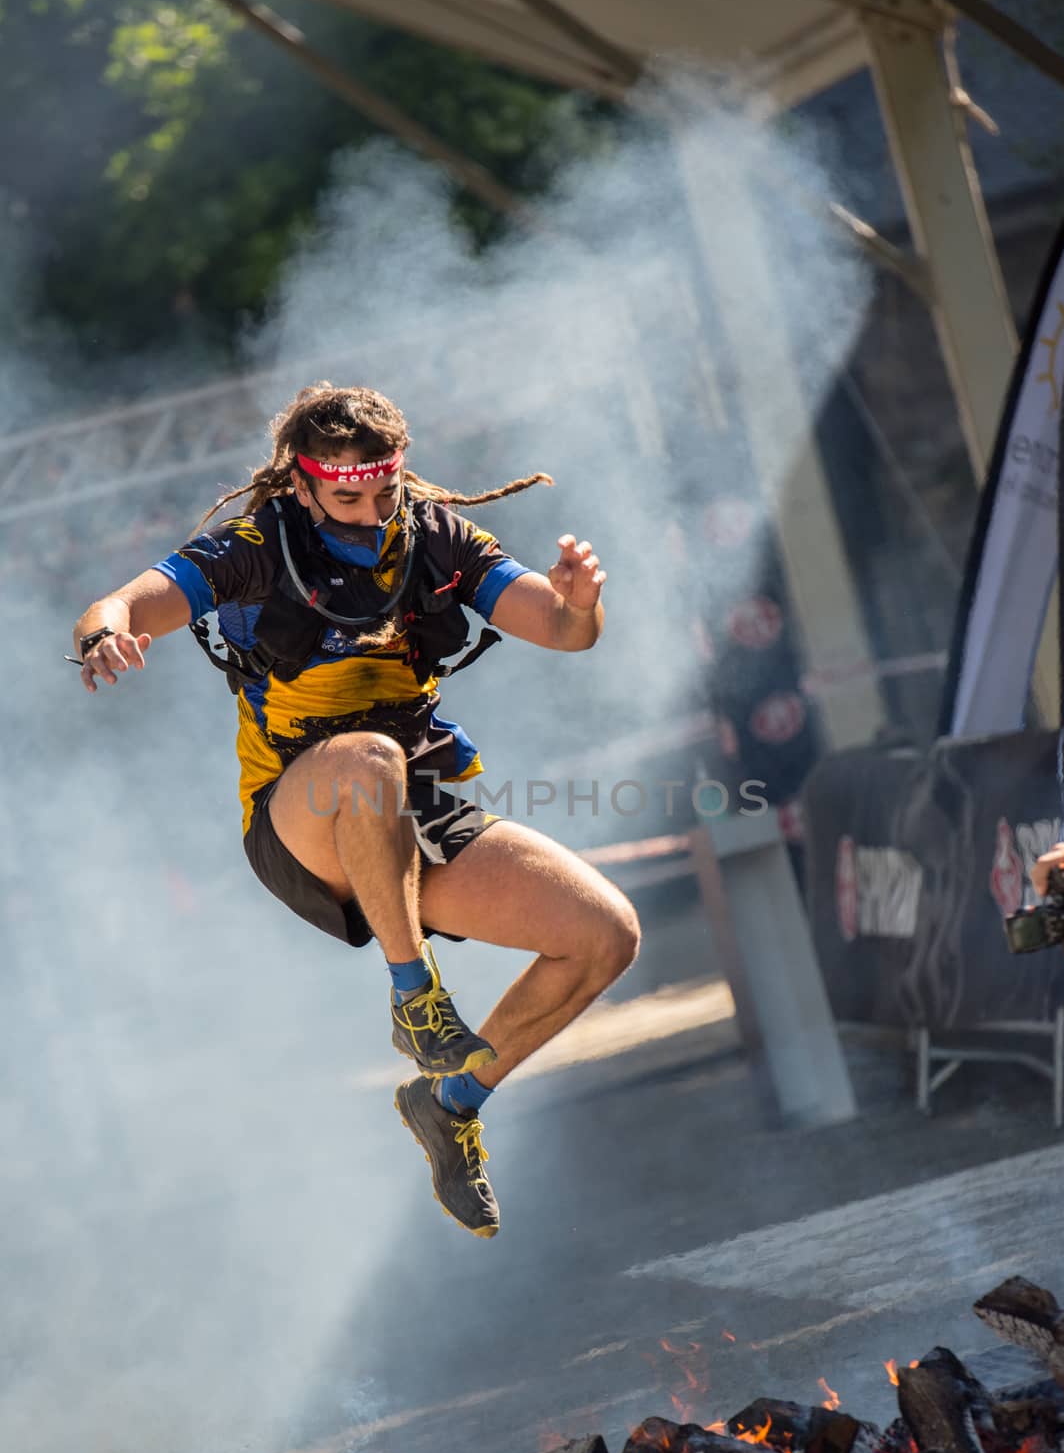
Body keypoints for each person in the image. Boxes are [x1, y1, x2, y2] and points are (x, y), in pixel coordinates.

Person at [71, 383, 640, 1239]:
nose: (373, 513)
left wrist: (582, 604)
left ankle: (450, 1103)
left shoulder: (435, 534)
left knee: (605, 935)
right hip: (296, 820)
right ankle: (415, 997)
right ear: (302, 485)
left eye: (384, 492)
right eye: (347, 498)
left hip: (404, 809)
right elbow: (119, 602)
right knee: (367, 760)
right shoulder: (255, 546)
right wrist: (103, 633)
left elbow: (561, 631)